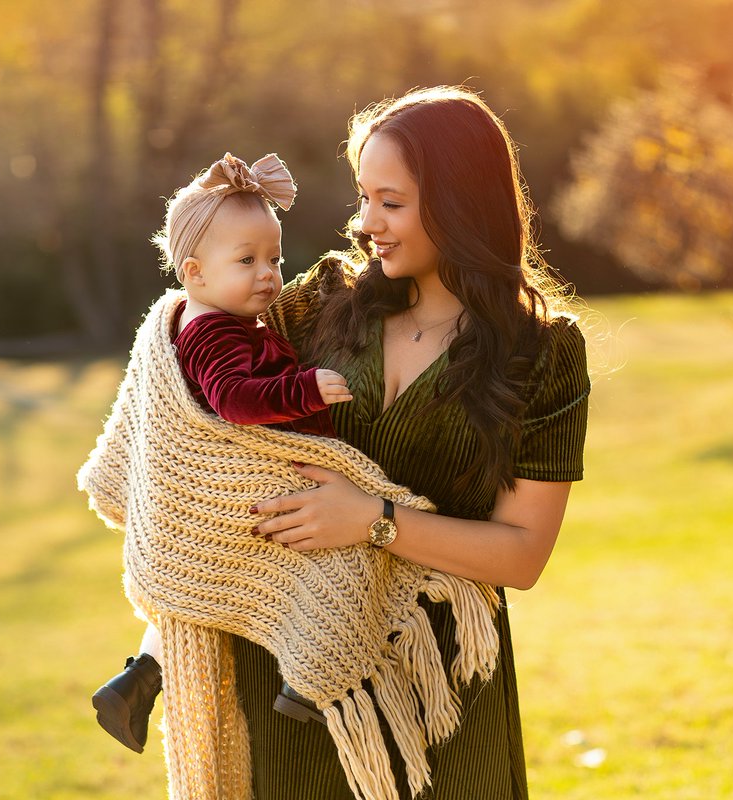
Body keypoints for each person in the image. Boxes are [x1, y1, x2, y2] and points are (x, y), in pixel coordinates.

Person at [232, 85, 591, 799]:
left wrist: (374, 521)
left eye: (390, 202)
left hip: (441, 685)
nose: (367, 223)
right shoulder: (319, 305)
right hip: (291, 678)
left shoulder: (541, 352)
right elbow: (196, 357)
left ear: (458, 202)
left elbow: (522, 555)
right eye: (364, 198)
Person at [89, 152, 353, 754]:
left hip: (227, 490)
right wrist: (304, 389)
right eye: (247, 261)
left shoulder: (215, 316)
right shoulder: (210, 332)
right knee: (334, 563)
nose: (268, 274)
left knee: (198, 589)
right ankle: (309, 682)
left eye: (275, 258)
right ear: (195, 272)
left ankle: (138, 679)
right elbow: (234, 401)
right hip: (236, 484)